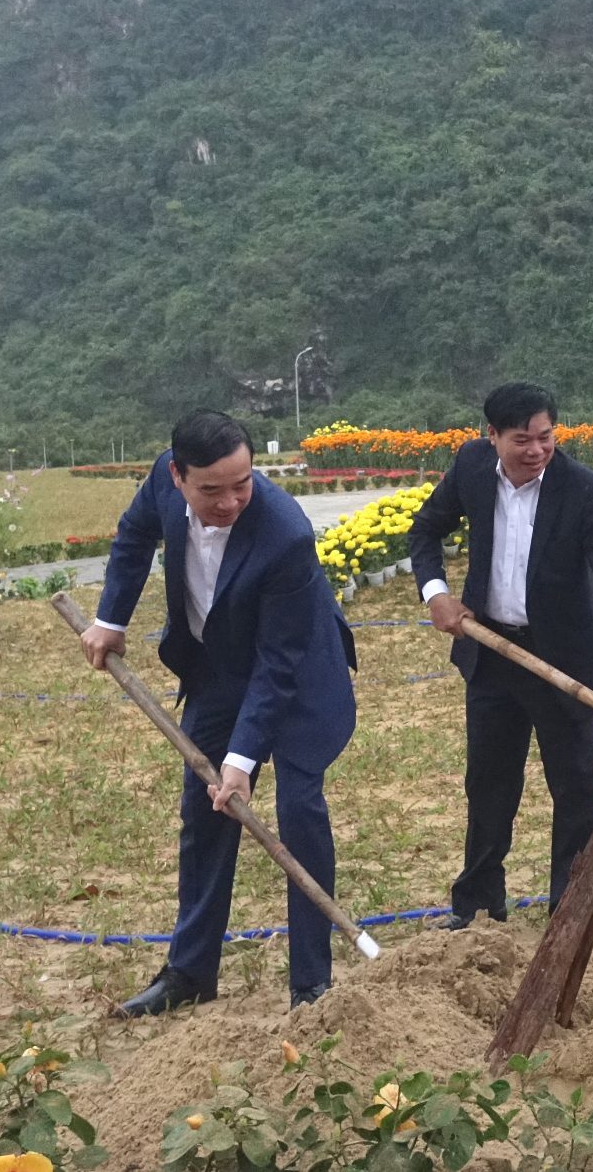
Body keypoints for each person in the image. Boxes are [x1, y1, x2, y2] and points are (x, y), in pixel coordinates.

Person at [83, 410, 358, 1016]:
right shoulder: (162, 478)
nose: (231, 500)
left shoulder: (283, 531)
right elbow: (133, 537)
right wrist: (110, 619)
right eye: (212, 489)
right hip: (217, 668)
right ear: (178, 476)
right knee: (202, 815)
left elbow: (279, 663)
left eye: (243, 483)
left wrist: (241, 760)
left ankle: (310, 985)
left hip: (298, 672)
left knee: (299, 812)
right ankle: (190, 971)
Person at [406, 382, 593, 928]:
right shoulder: (469, 467)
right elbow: (425, 530)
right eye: (521, 440)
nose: (536, 451)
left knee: (575, 785)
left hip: (563, 660)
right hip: (492, 653)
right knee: (488, 781)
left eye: (545, 438)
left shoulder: (581, 490)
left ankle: (571, 909)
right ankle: (479, 905)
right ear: (491, 437)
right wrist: (436, 592)